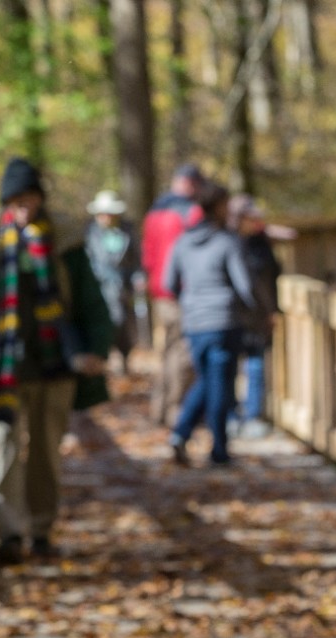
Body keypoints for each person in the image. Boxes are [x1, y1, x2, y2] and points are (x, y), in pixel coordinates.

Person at [0, 157, 112, 565]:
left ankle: (40, 530)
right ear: (6, 202)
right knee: (5, 450)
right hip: (3, 370)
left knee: (46, 453)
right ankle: (8, 533)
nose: (25, 207)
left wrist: (96, 348)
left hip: (55, 366)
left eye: (31, 198)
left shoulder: (64, 243)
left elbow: (91, 301)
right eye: (17, 200)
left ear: (40, 199)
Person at [165, 181, 257, 467]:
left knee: (208, 381)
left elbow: (169, 282)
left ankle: (181, 435)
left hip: (195, 324)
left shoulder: (183, 242)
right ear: (217, 207)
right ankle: (218, 451)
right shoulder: (227, 242)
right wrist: (257, 311)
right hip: (223, 322)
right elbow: (244, 285)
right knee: (219, 385)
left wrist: (191, 303)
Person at [142, 163, 205, 426]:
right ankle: (175, 411)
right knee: (182, 353)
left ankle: (159, 408)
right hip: (180, 292)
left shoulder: (154, 213)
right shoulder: (190, 213)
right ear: (191, 184)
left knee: (167, 351)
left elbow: (147, 255)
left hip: (158, 292)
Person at [226, 194, 287, 440]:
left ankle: (252, 416)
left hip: (258, 317)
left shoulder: (261, 244)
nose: (255, 222)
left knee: (255, 366)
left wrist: (271, 309)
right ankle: (230, 416)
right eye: (250, 217)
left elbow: (270, 279)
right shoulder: (228, 243)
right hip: (232, 316)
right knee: (228, 367)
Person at [84, 189, 140, 374]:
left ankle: (124, 358)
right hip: (100, 289)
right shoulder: (90, 234)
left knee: (125, 325)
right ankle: (104, 359)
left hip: (124, 288)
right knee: (107, 323)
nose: (106, 217)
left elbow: (137, 260)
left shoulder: (128, 231)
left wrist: (138, 278)